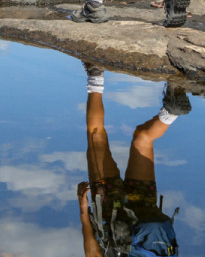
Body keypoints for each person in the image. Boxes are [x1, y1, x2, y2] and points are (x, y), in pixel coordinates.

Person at [79, 62, 185, 256]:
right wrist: (84, 212)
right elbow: (92, 252)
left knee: (143, 138)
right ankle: (95, 72)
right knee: (96, 137)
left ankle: (170, 113)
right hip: (113, 209)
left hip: (146, 209)